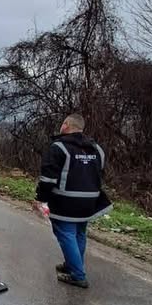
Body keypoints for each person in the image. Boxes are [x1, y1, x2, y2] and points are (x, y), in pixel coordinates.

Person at [33, 113, 112, 288]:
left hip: (65, 201)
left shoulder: (58, 148)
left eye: (63, 124)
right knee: (79, 234)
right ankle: (72, 264)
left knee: (66, 234)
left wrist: (40, 199)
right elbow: (99, 174)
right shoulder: (96, 148)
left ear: (66, 125)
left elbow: (48, 179)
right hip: (90, 201)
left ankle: (77, 274)